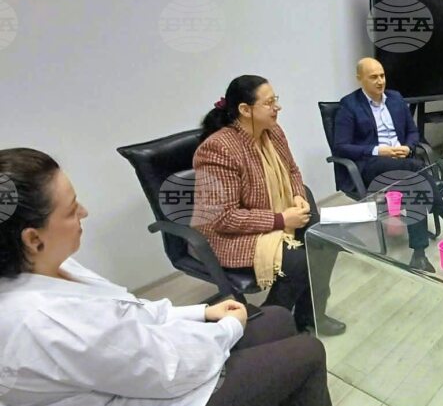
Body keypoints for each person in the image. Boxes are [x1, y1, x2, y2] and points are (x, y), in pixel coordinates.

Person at [0, 148, 331, 406]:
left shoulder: (55, 265)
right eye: (72, 210)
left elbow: (129, 310)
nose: (84, 212)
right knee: (308, 352)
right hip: (159, 388)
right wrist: (228, 328)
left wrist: (202, 313)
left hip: (150, 362)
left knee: (277, 318)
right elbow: (167, 370)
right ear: (33, 238)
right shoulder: (44, 321)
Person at [194, 75, 345, 336]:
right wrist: (281, 220)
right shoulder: (218, 149)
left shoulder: (272, 131)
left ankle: (310, 315)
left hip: (274, 215)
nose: (277, 107)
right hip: (230, 235)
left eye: (276, 100)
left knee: (325, 239)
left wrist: (297, 195)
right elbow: (224, 217)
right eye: (269, 102)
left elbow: (292, 170)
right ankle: (267, 330)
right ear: (245, 110)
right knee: (298, 263)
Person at [334, 57, 443, 272]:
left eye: (382, 76)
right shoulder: (349, 105)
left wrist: (408, 147)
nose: (380, 81)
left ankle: (419, 255)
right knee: (416, 169)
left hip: (402, 162)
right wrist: (379, 150)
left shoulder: (396, 99)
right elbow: (341, 146)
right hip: (372, 164)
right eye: (373, 77)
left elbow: (412, 132)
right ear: (359, 78)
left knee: (414, 184)